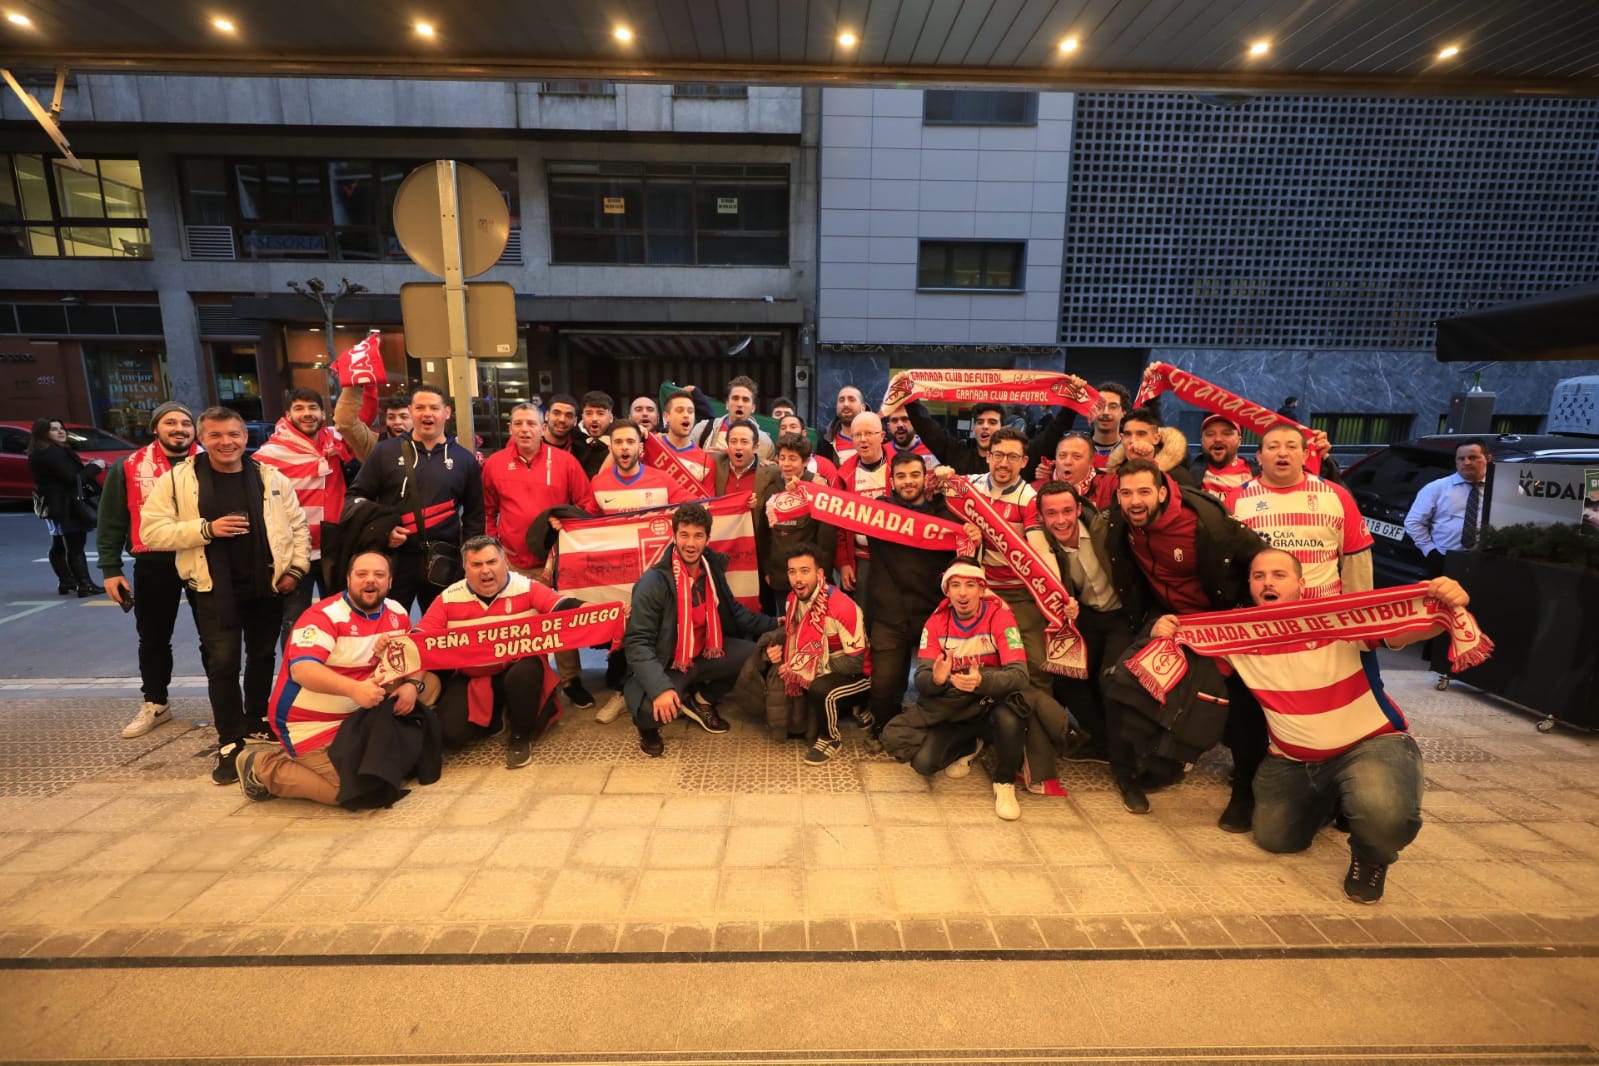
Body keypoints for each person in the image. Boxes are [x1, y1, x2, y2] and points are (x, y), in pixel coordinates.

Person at [1149, 550, 1470, 903]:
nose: (1267, 582)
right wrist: (1164, 630)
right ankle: (1336, 798)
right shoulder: (1238, 632)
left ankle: (1372, 855)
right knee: (1275, 839)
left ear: (1302, 583)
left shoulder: (1340, 617)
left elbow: (1412, 631)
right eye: (1258, 576)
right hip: (1290, 759)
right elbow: (1185, 647)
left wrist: (1444, 605)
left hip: (1368, 744)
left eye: (1278, 575)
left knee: (1385, 818)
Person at [140, 406, 311, 785]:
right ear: (202, 439)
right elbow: (151, 531)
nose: (225, 442)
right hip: (213, 587)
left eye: (233, 434)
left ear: (245, 438)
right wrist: (206, 529)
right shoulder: (179, 480)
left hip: (265, 585)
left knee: (264, 655)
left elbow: (298, 527)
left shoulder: (269, 477)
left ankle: (256, 718)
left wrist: (295, 571)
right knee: (223, 663)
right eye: (215, 435)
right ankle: (229, 739)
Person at [1095, 458, 1266, 823]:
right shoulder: (1119, 522)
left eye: (1143, 491)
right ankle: (1132, 773)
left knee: (1237, 699)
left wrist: (1246, 620)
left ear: (1161, 491)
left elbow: (1259, 557)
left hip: (1219, 619)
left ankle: (1244, 791)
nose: (1134, 501)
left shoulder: (1205, 522)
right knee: (1118, 677)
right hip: (1161, 615)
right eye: (1125, 493)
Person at [238, 550, 417, 805]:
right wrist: (355, 689)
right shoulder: (323, 617)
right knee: (356, 794)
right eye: (361, 574)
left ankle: (321, 760)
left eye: (379, 575)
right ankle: (262, 768)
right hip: (308, 724)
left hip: (357, 715)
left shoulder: (397, 612)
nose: (370, 581)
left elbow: (413, 656)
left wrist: (412, 684)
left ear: (390, 582)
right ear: (348, 579)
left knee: (427, 687)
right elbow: (303, 670)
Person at [622, 502, 780, 757]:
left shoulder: (711, 569)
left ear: (707, 538)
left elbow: (735, 612)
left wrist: (775, 623)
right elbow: (637, 643)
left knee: (758, 653)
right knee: (651, 711)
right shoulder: (653, 582)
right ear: (674, 536)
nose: (691, 543)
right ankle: (648, 728)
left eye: (698, 535)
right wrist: (660, 688)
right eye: (684, 535)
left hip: (706, 653)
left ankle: (701, 699)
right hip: (670, 662)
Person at [411, 536, 582, 767]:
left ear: (504, 562)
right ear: (465, 568)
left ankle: (520, 737)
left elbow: (564, 606)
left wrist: (604, 612)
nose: (485, 571)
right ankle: (497, 715)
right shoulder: (448, 598)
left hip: (519, 670)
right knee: (452, 736)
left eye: (492, 562)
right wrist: (393, 643)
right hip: (472, 677)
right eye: (476, 565)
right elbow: (420, 636)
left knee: (525, 676)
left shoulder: (527, 587)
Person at [880, 559, 1030, 821]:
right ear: (947, 591)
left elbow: (1020, 675)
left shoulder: (1000, 617)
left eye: (970, 585)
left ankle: (1004, 783)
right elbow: (923, 677)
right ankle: (971, 743)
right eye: (956, 585)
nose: (962, 593)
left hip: (992, 701)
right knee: (924, 765)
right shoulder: (936, 623)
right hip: (957, 708)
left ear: (981, 589)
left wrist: (981, 681)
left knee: (1009, 716)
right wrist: (937, 679)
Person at [480, 402, 599, 710]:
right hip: (512, 561)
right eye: (518, 423)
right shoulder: (493, 465)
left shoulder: (565, 462)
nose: (525, 429)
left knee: (561, 622)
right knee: (521, 626)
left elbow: (587, 505)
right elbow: (488, 509)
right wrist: (494, 546)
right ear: (510, 428)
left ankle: (571, 680)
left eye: (531, 423)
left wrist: (567, 523)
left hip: (556, 561)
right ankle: (530, 681)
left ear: (542, 427)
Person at [97, 401, 204, 738]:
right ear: (155, 428)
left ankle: (226, 703)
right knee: (154, 637)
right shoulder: (128, 466)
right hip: (154, 562)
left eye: (186, 423)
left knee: (216, 636)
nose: (179, 429)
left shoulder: (210, 461)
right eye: (170, 422)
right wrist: (111, 568)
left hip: (204, 558)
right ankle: (156, 702)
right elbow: (112, 521)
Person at [345, 385, 483, 614]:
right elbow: (354, 498)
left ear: (446, 412)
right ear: (411, 411)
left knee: (444, 635)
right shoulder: (384, 452)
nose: (427, 413)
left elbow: (474, 516)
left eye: (434, 408)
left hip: (444, 561)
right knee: (388, 630)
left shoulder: (464, 460)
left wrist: (471, 561)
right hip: (395, 560)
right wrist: (382, 531)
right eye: (420, 407)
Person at [1030, 481, 1138, 769]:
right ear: (1041, 517)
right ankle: (1102, 739)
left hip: (1123, 616)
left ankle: (1126, 756)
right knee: (1066, 675)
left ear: (1079, 508)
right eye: (1051, 513)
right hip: (1087, 616)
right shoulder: (1044, 545)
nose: (1061, 520)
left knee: (1110, 678)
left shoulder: (1104, 530)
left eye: (1067, 511)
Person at [938, 426, 1050, 690]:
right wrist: (942, 477)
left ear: (1024, 462)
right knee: (975, 658)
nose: (1003, 463)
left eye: (1012, 457)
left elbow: (1040, 554)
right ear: (987, 456)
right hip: (977, 589)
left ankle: (1039, 723)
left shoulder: (1031, 499)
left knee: (1035, 664)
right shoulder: (969, 486)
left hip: (1019, 591)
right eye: (998, 455)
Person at [859, 450, 957, 746]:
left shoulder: (945, 513)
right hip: (889, 613)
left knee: (938, 679)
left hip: (933, 613)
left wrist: (951, 485)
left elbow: (965, 517)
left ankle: (937, 729)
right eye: (901, 476)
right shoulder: (879, 510)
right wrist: (800, 494)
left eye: (915, 474)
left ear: (926, 477)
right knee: (884, 685)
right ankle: (883, 729)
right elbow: (837, 508)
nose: (908, 481)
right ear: (891, 481)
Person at [254, 388, 357, 644]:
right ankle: (295, 676)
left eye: (312, 408)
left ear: (323, 413)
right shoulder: (269, 455)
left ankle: (339, 672)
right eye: (299, 408)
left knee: (342, 615)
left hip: (335, 547)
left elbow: (359, 421)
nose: (307, 414)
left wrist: (358, 386)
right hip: (295, 551)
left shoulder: (335, 442)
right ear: (287, 414)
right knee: (294, 621)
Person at [1227, 423, 1374, 598]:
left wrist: (1356, 613)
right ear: (1259, 457)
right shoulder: (1235, 500)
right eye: (1273, 447)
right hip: (1263, 618)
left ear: (1305, 455)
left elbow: (1356, 563)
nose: (1282, 453)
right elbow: (1229, 565)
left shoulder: (1337, 496)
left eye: (1291, 446)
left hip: (1322, 615)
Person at [762, 543, 871, 763]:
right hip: (824, 663)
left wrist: (805, 666)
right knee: (776, 667)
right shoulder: (793, 600)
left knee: (821, 688)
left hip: (860, 675)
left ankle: (830, 738)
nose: (798, 579)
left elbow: (856, 664)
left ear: (820, 574)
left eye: (805, 571)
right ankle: (795, 723)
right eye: (792, 572)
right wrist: (777, 652)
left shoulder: (843, 608)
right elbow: (795, 635)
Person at [756, 432, 841, 612]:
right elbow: (764, 535)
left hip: (810, 577)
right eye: (782, 458)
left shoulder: (818, 488)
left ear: (805, 461)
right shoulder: (772, 487)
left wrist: (822, 573)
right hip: (779, 575)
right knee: (784, 624)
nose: (786, 464)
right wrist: (767, 570)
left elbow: (826, 540)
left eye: (792, 459)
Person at [28, 416, 104, 597]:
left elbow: (63, 475)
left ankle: (66, 581)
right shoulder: (52, 452)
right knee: (75, 546)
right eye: (53, 429)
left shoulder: (39, 451)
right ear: (43, 433)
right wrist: (95, 467)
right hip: (67, 503)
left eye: (61, 428)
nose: (60, 431)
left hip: (52, 503)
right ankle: (84, 585)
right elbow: (72, 480)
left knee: (58, 544)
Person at [1404, 438, 1491, 577]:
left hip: (1487, 561)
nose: (1466, 462)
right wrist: (1431, 552)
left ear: (1488, 458)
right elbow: (1413, 522)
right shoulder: (1436, 488)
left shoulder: (1501, 489)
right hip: (1444, 560)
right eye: (1461, 459)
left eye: (1473, 457)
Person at [834, 412, 893, 593]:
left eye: (869, 434)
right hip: (861, 559)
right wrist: (843, 563)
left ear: (882, 436)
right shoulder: (844, 475)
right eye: (857, 435)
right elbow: (837, 524)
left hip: (895, 557)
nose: (863, 440)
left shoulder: (900, 466)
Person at [591, 418, 691, 512]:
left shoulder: (663, 480)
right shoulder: (598, 483)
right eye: (618, 442)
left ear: (640, 448)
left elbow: (697, 507)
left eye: (630, 442)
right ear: (610, 448)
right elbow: (586, 524)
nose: (624, 447)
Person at [900, 399, 1005, 476]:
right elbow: (927, 428)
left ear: (1002, 428)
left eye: (992, 422)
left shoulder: (1011, 460)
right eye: (980, 422)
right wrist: (907, 390)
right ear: (974, 428)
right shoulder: (958, 453)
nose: (985, 426)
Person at [1105, 406, 1196, 488]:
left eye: (1141, 434)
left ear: (1156, 439)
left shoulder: (1178, 476)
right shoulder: (1114, 473)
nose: (1133, 440)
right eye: (1128, 434)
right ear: (1122, 438)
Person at [692, 376, 775, 460]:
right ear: (727, 404)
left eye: (745, 400)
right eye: (735, 398)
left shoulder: (765, 442)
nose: (740, 404)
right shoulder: (702, 429)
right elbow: (687, 459)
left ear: (753, 408)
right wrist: (702, 457)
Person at [1033, 432, 1116, 511]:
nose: (1068, 462)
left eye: (1077, 456)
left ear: (1090, 461)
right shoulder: (1035, 490)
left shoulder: (1110, 486)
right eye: (1062, 456)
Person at [657, 389, 715, 494]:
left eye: (690, 411)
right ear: (666, 416)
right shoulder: (653, 449)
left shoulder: (706, 461)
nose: (686, 415)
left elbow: (708, 504)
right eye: (680, 410)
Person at [710, 418, 779, 502]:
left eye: (744, 442)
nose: (738, 447)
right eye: (733, 441)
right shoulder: (714, 462)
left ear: (755, 447)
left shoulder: (771, 472)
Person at [1190, 414, 1257, 499]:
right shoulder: (1189, 469)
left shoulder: (1259, 471)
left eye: (1226, 433)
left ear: (1239, 441)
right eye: (1210, 434)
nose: (1218, 439)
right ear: (1201, 441)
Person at [777, 412, 840, 486]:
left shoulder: (825, 465)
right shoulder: (771, 466)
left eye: (793, 427)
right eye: (783, 428)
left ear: (804, 433)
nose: (787, 430)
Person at [1087, 382, 1131, 468]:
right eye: (1099, 406)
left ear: (1123, 412)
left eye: (1113, 407)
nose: (1105, 412)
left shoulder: (1130, 451)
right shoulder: (1080, 449)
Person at [574, 390, 615, 477]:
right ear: (582, 417)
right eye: (588, 413)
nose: (594, 419)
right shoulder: (572, 437)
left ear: (611, 418)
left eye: (600, 413)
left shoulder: (621, 436)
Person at [823, 385, 866, 463]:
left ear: (863, 408)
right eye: (841, 400)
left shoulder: (879, 441)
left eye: (851, 399)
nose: (846, 404)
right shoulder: (824, 443)